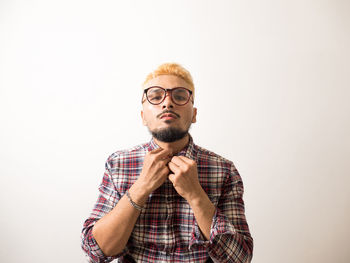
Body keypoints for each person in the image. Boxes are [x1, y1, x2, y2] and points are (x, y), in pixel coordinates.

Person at [81, 63, 253, 262]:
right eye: (155, 97)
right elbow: (95, 252)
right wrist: (141, 187)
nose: (167, 103)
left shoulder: (224, 170)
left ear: (194, 114)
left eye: (179, 96)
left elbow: (240, 258)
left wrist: (196, 195)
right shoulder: (118, 164)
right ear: (143, 116)